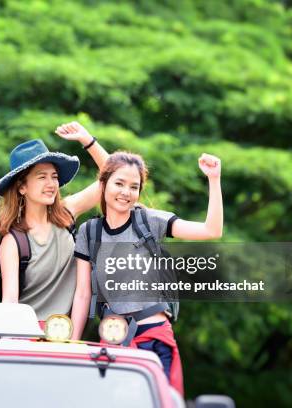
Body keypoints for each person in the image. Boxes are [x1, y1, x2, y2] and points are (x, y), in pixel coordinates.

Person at [70, 151, 223, 395]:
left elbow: (211, 230)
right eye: (119, 183)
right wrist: (72, 344)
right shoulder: (89, 232)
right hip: (114, 339)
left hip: (154, 336)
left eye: (134, 186)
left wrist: (214, 180)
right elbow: (82, 294)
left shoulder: (149, 222)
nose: (125, 192)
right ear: (103, 184)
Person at [0, 122, 109, 321]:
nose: (51, 184)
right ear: (22, 187)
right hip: (26, 334)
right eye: (41, 177)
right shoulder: (13, 241)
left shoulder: (66, 213)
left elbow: (114, 175)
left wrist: (88, 141)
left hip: (66, 331)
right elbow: (10, 302)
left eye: (54, 177)